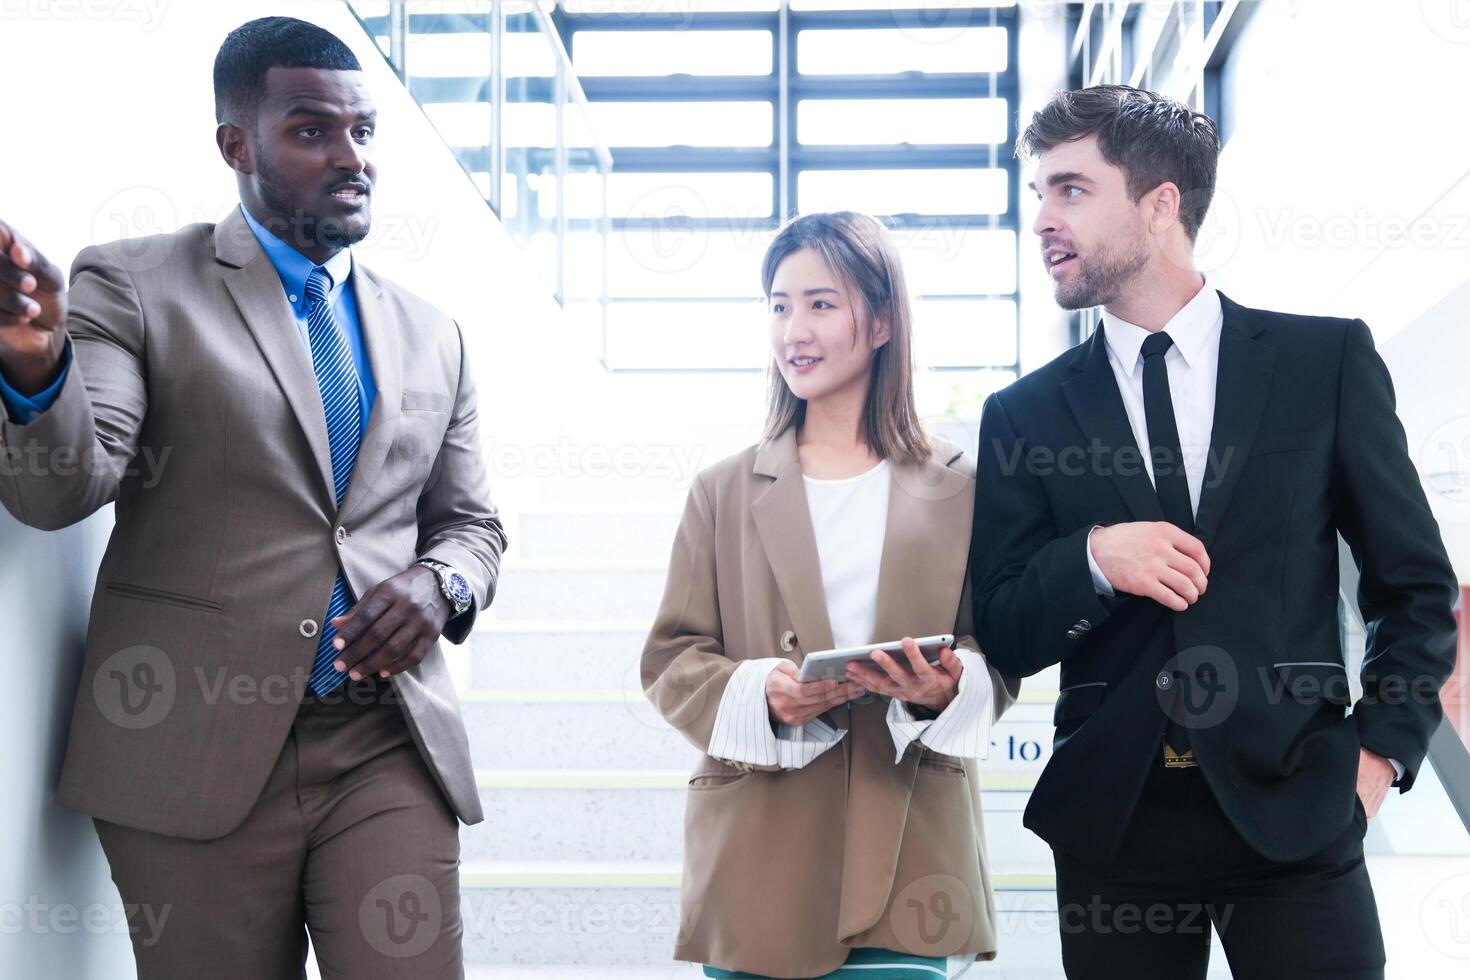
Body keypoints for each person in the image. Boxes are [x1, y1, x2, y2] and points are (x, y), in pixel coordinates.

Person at [0, 17, 505, 978]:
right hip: (190, 748)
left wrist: (441, 585)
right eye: (311, 131)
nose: (350, 156)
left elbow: (473, 527)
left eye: (362, 131)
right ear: (236, 143)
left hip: (383, 741)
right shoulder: (138, 282)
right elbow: (61, 491)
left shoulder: (433, 332)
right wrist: (37, 367)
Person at [970, 84, 1460, 979]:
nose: (1041, 216)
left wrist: (1380, 759)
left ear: (1162, 206)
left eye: (1070, 189)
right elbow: (1000, 625)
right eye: (1037, 192)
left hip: (1299, 812)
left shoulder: (1325, 363)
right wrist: (1092, 561)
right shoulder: (1023, 413)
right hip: (1115, 829)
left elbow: (1416, 590)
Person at [641, 211, 1020, 979]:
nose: (793, 330)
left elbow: (998, 650)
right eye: (779, 306)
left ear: (881, 321)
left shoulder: (963, 486)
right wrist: (762, 693)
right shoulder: (723, 490)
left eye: (820, 303)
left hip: (911, 849)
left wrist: (943, 686)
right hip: (759, 857)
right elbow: (671, 659)